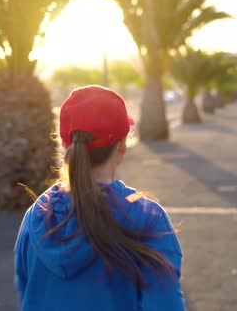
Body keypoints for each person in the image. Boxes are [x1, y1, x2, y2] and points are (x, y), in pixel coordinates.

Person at [14, 85, 186, 311]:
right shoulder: (147, 217)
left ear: (65, 145)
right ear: (122, 145)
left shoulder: (37, 215)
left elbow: (28, 290)